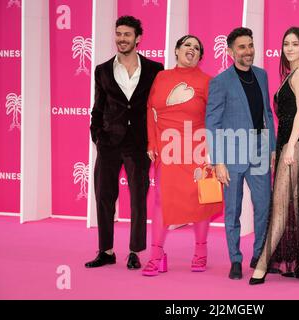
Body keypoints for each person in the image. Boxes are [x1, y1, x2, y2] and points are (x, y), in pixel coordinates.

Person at [85, 16, 163, 269]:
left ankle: (134, 251)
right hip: (108, 141)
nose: (122, 39)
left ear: (138, 38)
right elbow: (98, 107)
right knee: (104, 196)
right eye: (118, 34)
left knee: (139, 198)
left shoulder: (154, 69)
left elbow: (157, 108)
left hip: (139, 143)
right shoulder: (103, 70)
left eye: (127, 34)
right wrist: (97, 134)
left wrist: (155, 139)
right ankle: (105, 250)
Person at [142, 35, 223, 276]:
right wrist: (152, 142)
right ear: (176, 50)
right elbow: (151, 110)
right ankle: (156, 255)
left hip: (196, 149)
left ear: (200, 56)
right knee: (161, 200)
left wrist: (212, 152)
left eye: (197, 48)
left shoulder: (208, 82)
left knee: (200, 198)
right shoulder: (161, 76)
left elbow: (215, 118)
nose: (192, 49)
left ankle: (200, 251)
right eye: (187, 45)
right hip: (167, 151)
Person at [249, 27, 299, 285]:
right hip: (288, 144)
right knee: (292, 205)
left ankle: (261, 265)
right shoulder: (290, 74)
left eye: (295, 43)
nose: (289, 48)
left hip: (296, 144)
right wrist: (279, 148)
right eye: (286, 44)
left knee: (280, 206)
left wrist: (290, 146)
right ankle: (297, 262)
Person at [206, 27, 276, 280]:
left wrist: (271, 148)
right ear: (230, 51)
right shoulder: (220, 82)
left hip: (259, 151)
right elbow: (212, 123)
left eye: (250, 45)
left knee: (264, 206)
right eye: (242, 47)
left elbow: (267, 113)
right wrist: (218, 161)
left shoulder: (262, 75)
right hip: (232, 155)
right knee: (232, 211)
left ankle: (259, 256)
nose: (248, 51)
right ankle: (235, 259)